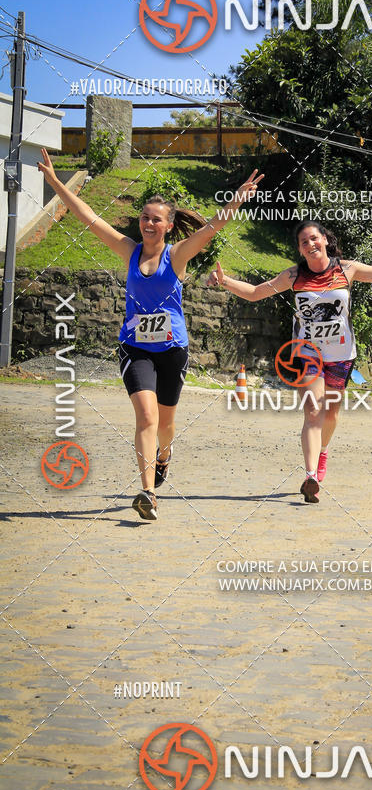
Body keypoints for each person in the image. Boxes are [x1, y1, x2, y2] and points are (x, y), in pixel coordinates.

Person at [37, 148, 263, 520]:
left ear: (169, 225)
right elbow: (90, 219)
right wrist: (58, 184)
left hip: (173, 350)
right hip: (135, 348)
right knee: (146, 418)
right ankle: (147, 493)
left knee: (166, 424)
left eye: (156, 219)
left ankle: (165, 455)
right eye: (144, 217)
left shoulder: (177, 256)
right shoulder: (128, 251)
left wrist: (237, 199)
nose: (148, 223)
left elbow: (211, 228)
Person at [209, 220, 372, 503]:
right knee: (313, 411)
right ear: (300, 249)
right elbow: (255, 293)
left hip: (341, 356)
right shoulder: (294, 276)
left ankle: (322, 452)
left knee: (330, 415)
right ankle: (310, 476)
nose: (310, 245)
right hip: (307, 353)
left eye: (314, 239)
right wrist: (225, 281)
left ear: (325, 240)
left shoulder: (348, 269)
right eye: (304, 242)